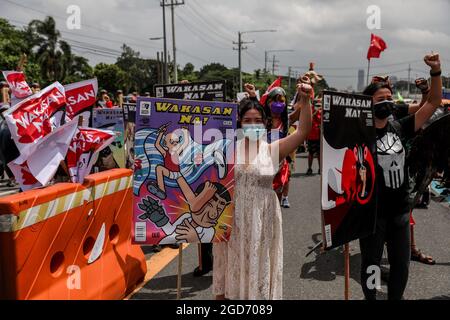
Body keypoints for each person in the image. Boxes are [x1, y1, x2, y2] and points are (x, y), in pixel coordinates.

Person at [212, 79, 312, 300]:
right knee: (230, 272)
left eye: (258, 120)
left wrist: (306, 100)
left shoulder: (273, 149)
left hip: (263, 220)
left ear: (266, 123)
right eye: (247, 120)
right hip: (232, 221)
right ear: (239, 122)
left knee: (258, 272)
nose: (252, 124)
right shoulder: (226, 148)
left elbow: (303, 131)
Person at [359, 53, 442, 300]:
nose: (387, 103)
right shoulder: (358, 135)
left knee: (401, 265)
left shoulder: (400, 126)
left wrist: (436, 71)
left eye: (389, 98)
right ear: (367, 104)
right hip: (372, 214)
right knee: (372, 264)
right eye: (380, 99)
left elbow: (434, 102)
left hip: (400, 212)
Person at [306, 98, 322, 175]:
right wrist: (315, 112)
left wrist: (319, 111)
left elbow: (320, 121)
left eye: (319, 105)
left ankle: (320, 169)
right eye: (317, 105)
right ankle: (309, 168)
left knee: (319, 154)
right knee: (311, 153)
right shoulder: (310, 110)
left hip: (318, 136)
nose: (318, 106)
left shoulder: (320, 112)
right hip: (311, 136)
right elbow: (308, 119)